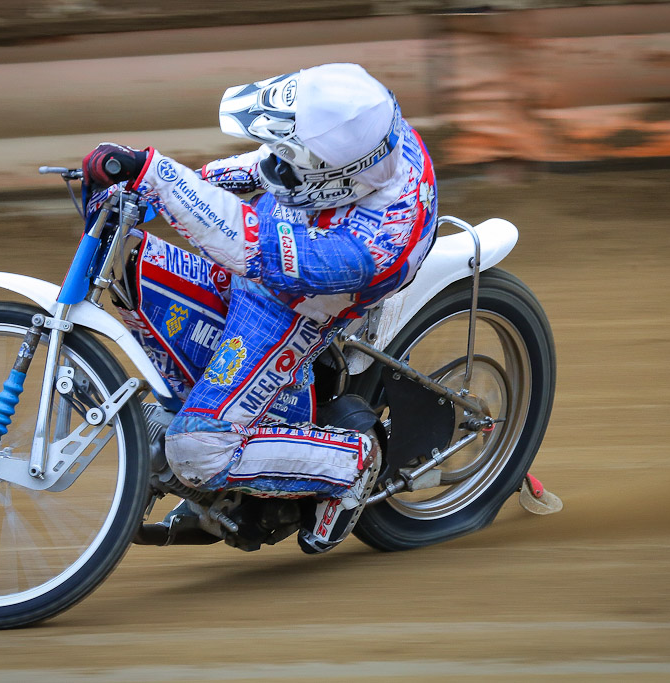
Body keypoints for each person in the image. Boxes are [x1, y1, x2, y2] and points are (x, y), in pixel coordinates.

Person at [82, 63, 438, 553]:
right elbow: (267, 165)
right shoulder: (366, 121)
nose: (279, 161)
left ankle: (352, 462)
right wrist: (155, 187)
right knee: (129, 266)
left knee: (195, 450)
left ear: (335, 178)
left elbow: (251, 246)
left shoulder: (369, 248)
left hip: (295, 301)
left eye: (294, 157)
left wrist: (159, 177)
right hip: (289, 239)